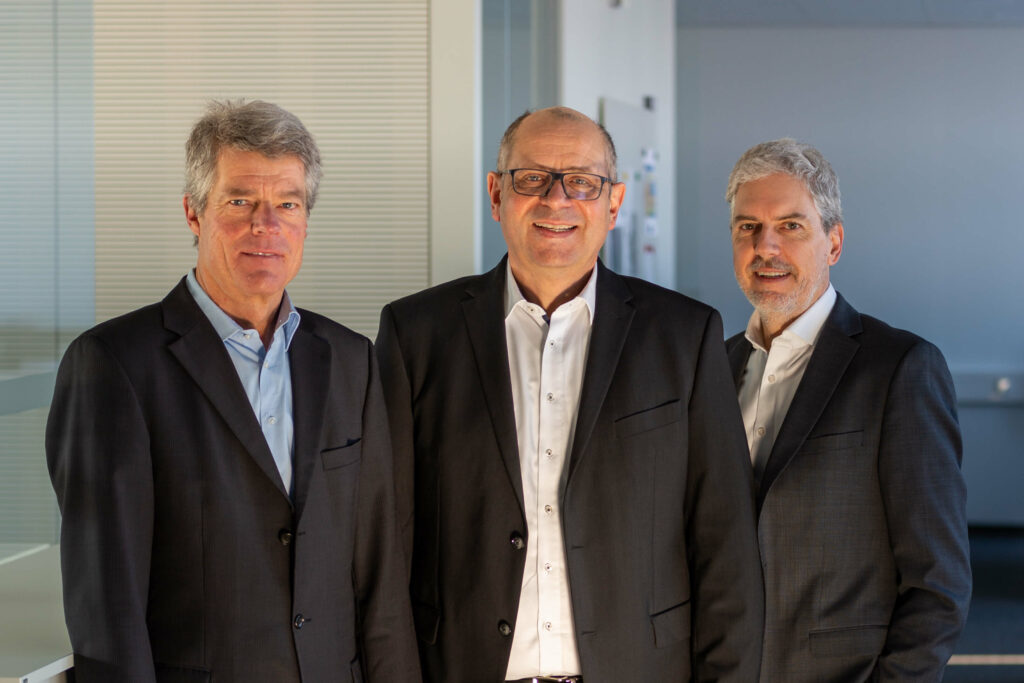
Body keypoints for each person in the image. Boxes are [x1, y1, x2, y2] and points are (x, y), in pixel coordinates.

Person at [375, 106, 763, 683]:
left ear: (614, 202)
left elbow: (725, 546)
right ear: (495, 194)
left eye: (582, 182)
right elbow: (386, 541)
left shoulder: (684, 336)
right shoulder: (416, 334)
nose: (557, 200)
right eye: (532, 179)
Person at [46, 100, 419, 683]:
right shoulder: (112, 366)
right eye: (240, 201)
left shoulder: (352, 360)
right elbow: (105, 601)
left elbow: (379, 575)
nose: (264, 226)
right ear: (194, 213)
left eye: (287, 204)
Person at [724, 138, 971, 681]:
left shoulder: (899, 368)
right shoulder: (715, 367)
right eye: (748, 227)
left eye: (791, 226)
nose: (766, 246)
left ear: (833, 243)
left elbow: (939, 583)